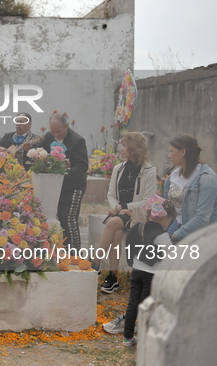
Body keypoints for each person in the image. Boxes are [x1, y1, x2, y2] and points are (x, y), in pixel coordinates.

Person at [102, 196, 176, 347]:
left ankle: (128, 337)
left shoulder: (138, 227)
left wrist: (131, 263)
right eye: (170, 221)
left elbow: (129, 246)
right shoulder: (162, 236)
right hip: (152, 275)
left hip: (136, 271)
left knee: (133, 304)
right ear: (164, 219)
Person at [93, 132, 157, 293]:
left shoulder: (149, 170)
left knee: (113, 222)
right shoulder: (118, 168)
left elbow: (148, 201)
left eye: (124, 145)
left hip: (139, 214)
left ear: (134, 148)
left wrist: (124, 206)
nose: (120, 148)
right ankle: (113, 278)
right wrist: (116, 207)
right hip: (120, 213)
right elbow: (111, 194)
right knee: (117, 232)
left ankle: (94, 263)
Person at [42, 112, 88, 249]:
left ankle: (74, 253)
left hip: (73, 186)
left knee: (69, 220)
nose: (55, 135)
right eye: (53, 131)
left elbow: (82, 167)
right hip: (55, 186)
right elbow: (42, 155)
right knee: (58, 219)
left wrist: (63, 172)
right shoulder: (49, 137)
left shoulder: (78, 141)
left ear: (66, 126)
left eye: (59, 131)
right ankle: (61, 250)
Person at [164, 134, 217, 242]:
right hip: (173, 226)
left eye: (171, 151)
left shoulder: (207, 178)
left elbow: (202, 219)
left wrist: (175, 236)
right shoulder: (172, 177)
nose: (169, 155)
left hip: (200, 235)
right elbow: (167, 207)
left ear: (183, 152)